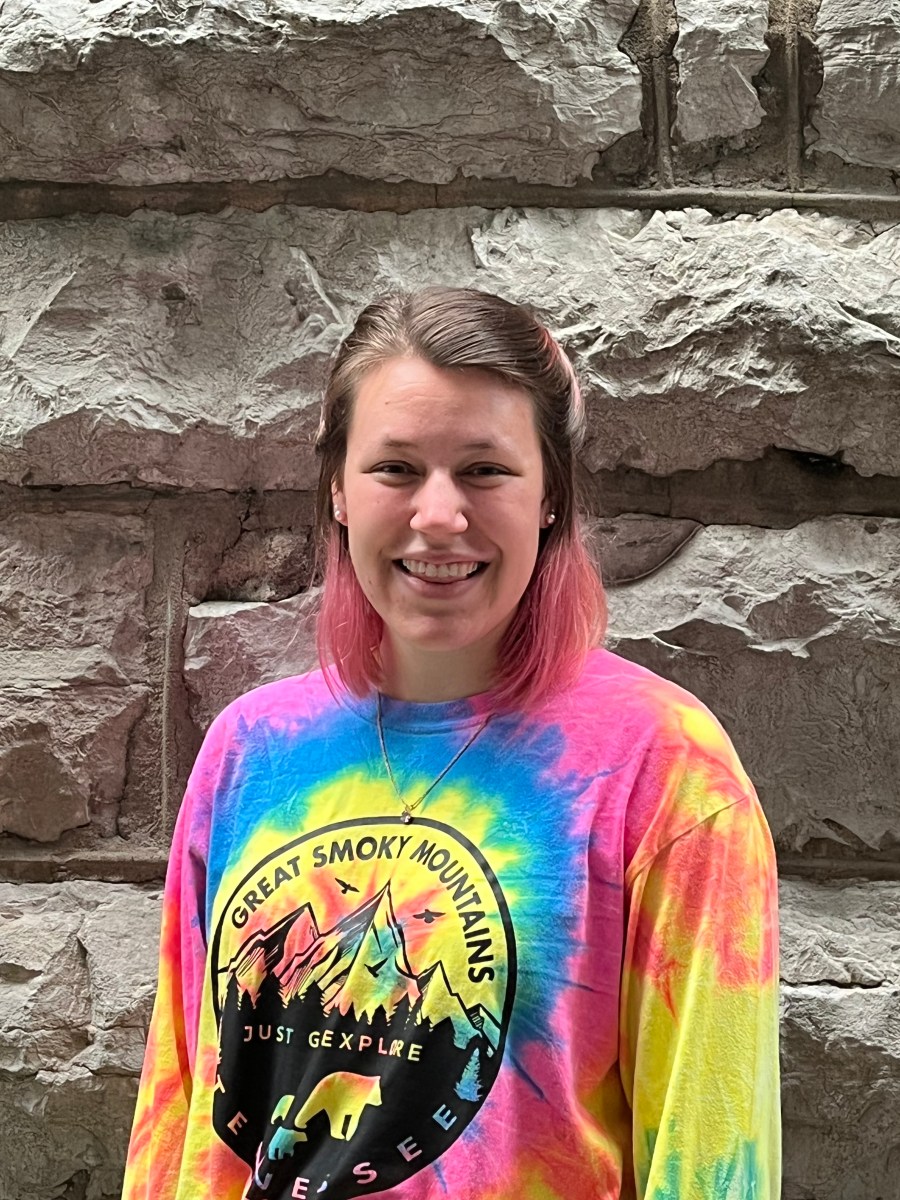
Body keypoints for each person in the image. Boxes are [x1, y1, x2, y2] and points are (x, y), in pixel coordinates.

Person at [123, 287, 780, 1200]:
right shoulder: (251, 750)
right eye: (395, 468)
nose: (439, 515)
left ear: (550, 496)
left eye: (484, 470)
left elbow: (713, 1152)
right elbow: (182, 1108)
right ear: (339, 492)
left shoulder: (663, 767)